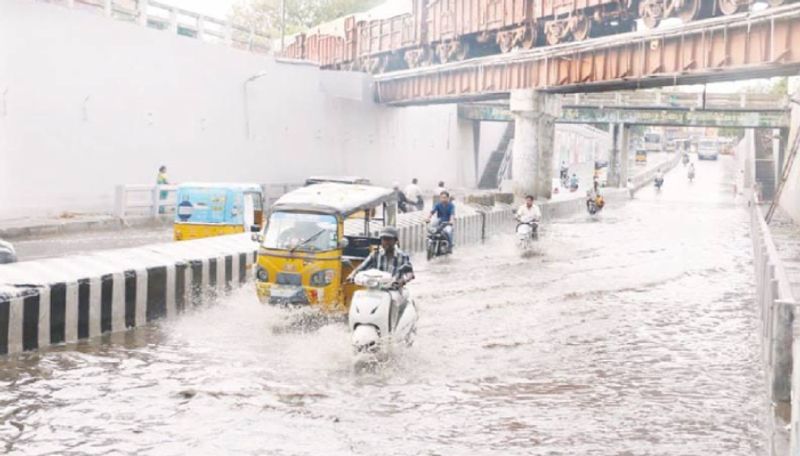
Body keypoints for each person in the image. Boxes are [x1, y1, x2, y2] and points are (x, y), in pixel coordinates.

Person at [347, 226, 414, 288]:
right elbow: (361, 267)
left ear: (395, 241)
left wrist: (402, 281)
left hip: (395, 290)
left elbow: (410, 273)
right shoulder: (375, 254)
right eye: (383, 239)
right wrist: (352, 275)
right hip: (376, 289)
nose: (386, 242)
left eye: (389, 239)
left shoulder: (402, 256)